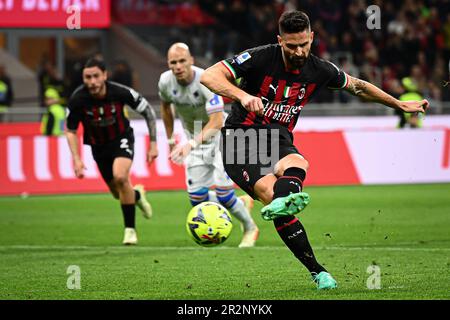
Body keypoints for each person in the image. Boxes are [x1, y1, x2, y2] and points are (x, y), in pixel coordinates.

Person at [200, 10, 428, 289]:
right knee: (274, 197)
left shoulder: (320, 69)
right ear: (279, 40)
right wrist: (243, 95)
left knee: (298, 162)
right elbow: (210, 76)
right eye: (291, 45)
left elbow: (358, 87)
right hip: (240, 138)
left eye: (303, 44)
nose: (298, 51)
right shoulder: (260, 57)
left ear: (312, 37)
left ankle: (287, 198)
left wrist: (399, 104)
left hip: (276, 136)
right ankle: (316, 269)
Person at [159, 43, 259, 248]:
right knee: (197, 198)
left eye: (182, 61)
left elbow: (216, 122)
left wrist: (189, 144)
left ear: (191, 61)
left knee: (223, 193)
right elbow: (165, 109)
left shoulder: (206, 79)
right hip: (194, 140)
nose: (178, 66)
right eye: (173, 62)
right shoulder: (165, 82)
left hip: (221, 137)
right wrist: (170, 140)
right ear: (168, 64)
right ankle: (239, 203)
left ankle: (250, 227)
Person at [65, 58, 158, 245]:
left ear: (105, 76)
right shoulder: (78, 99)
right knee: (118, 193)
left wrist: (154, 143)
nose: (92, 82)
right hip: (98, 147)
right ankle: (137, 195)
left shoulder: (119, 92)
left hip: (121, 139)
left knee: (121, 177)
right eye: (87, 77)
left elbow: (148, 111)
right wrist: (76, 158)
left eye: (96, 76)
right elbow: (70, 131)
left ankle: (130, 231)